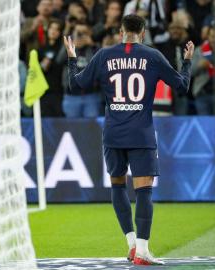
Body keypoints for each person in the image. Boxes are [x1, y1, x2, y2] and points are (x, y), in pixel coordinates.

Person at [64, 14, 194, 265]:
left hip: (113, 133)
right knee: (143, 192)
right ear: (143, 33)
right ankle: (143, 250)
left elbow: (75, 84)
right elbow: (182, 87)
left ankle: (132, 244)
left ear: (120, 31)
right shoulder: (153, 56)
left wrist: (72, 57)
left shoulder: (103, 55)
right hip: (141, 133)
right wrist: (187, 63)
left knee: (117, 186)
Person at [38, 19, 65, 117]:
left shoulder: (63, 49)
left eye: (57, 29)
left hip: (58, 91)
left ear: (59, 33)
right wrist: (43, 65)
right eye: (51, 28)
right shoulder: (40, 49)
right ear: (47, 30)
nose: (53, 31)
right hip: (43, 92)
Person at [191, 26, 215, 115]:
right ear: (208, 37)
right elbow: (190, 72)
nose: (214, 40)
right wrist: (199, 66)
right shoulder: (199, 51)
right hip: (202, 94)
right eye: (212, 36)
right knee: (205, 124)